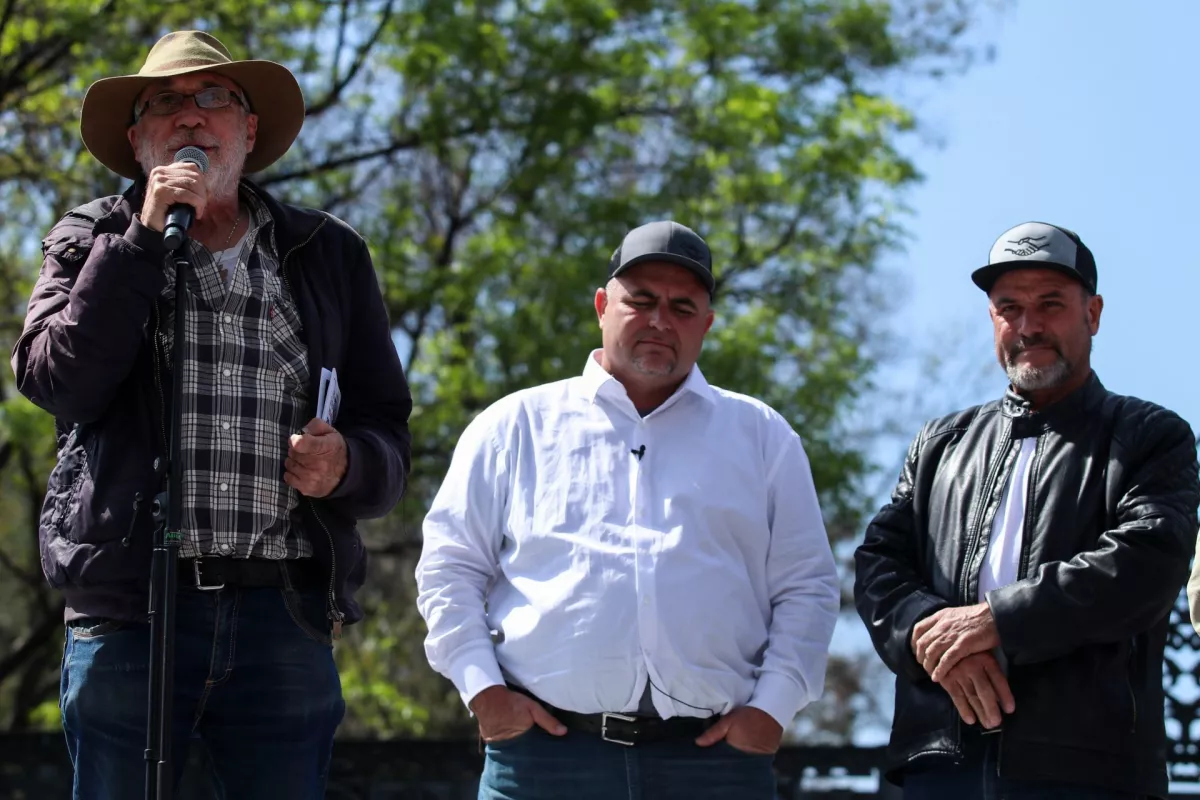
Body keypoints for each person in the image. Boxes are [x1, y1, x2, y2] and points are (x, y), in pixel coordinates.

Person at [11, 30, 412, 799]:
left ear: (249, 129)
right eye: (166, 103)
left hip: (282, 619)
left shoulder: (329, 253)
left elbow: (387, 426)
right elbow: (56, 379)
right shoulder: (89, 237)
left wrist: (348, 465)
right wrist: (137, 242)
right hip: (131, 614)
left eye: (213, 99)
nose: (191, 118)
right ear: (138, 140)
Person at [415, 220, 840, 800]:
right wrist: (483, 692)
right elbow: (449, 569)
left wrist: (773, 709)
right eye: (640, 301)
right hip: (542, 763)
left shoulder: (763, 436)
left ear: (707, 325)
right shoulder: (513, 425)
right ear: (601, 306)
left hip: (715, 767)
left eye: (683, 307)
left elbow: (808, 587)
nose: (661, 321)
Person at [853, 221, 1200, 799]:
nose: (1028, 326)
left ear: (1093, 314)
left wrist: (994, 621)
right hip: (940, 762)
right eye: (1008, 308)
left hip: (1089, 765)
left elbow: (1146, 564)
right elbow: (879, 564)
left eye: (1049, 305)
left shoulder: (1150, 435)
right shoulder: (941, 443)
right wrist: (932, 640)